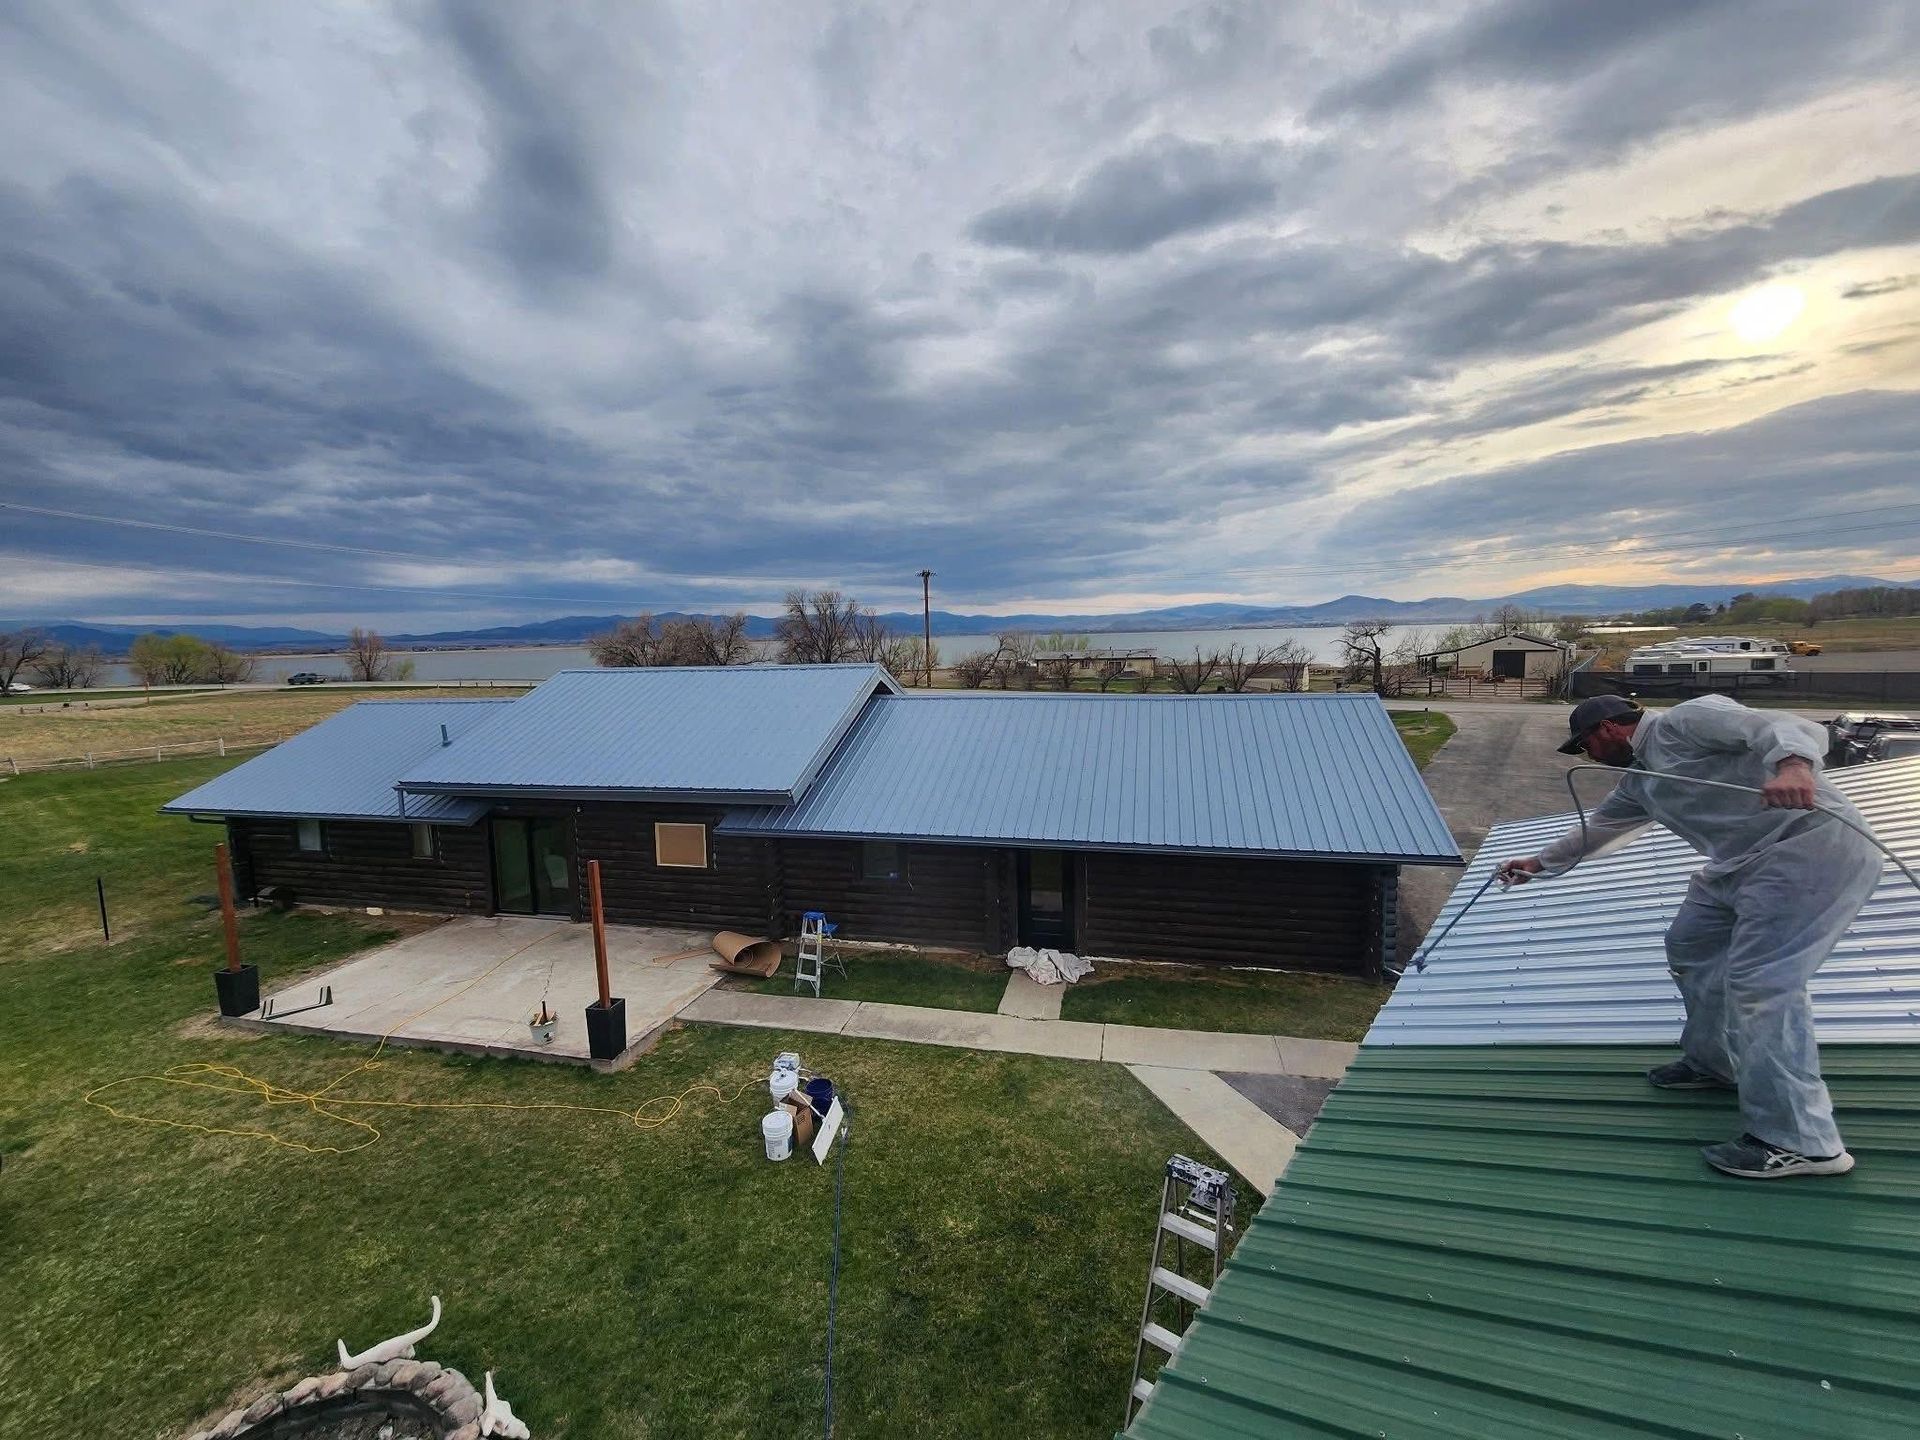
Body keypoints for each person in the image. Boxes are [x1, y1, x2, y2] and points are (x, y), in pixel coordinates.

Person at [1497, 693, 1884, 1179]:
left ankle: (1803, 1142)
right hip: (1736, 866)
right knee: (1690, 947)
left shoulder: (1684, 723)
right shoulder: (1641, 781)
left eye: (1584, 746)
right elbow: (1598, 830)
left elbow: (1775, 725)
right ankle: (1715, 1063)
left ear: (1607, 730)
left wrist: (1794, 768)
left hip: (1808, 848)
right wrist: (1537, 864)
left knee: (1762, 987)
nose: (1587, 758)